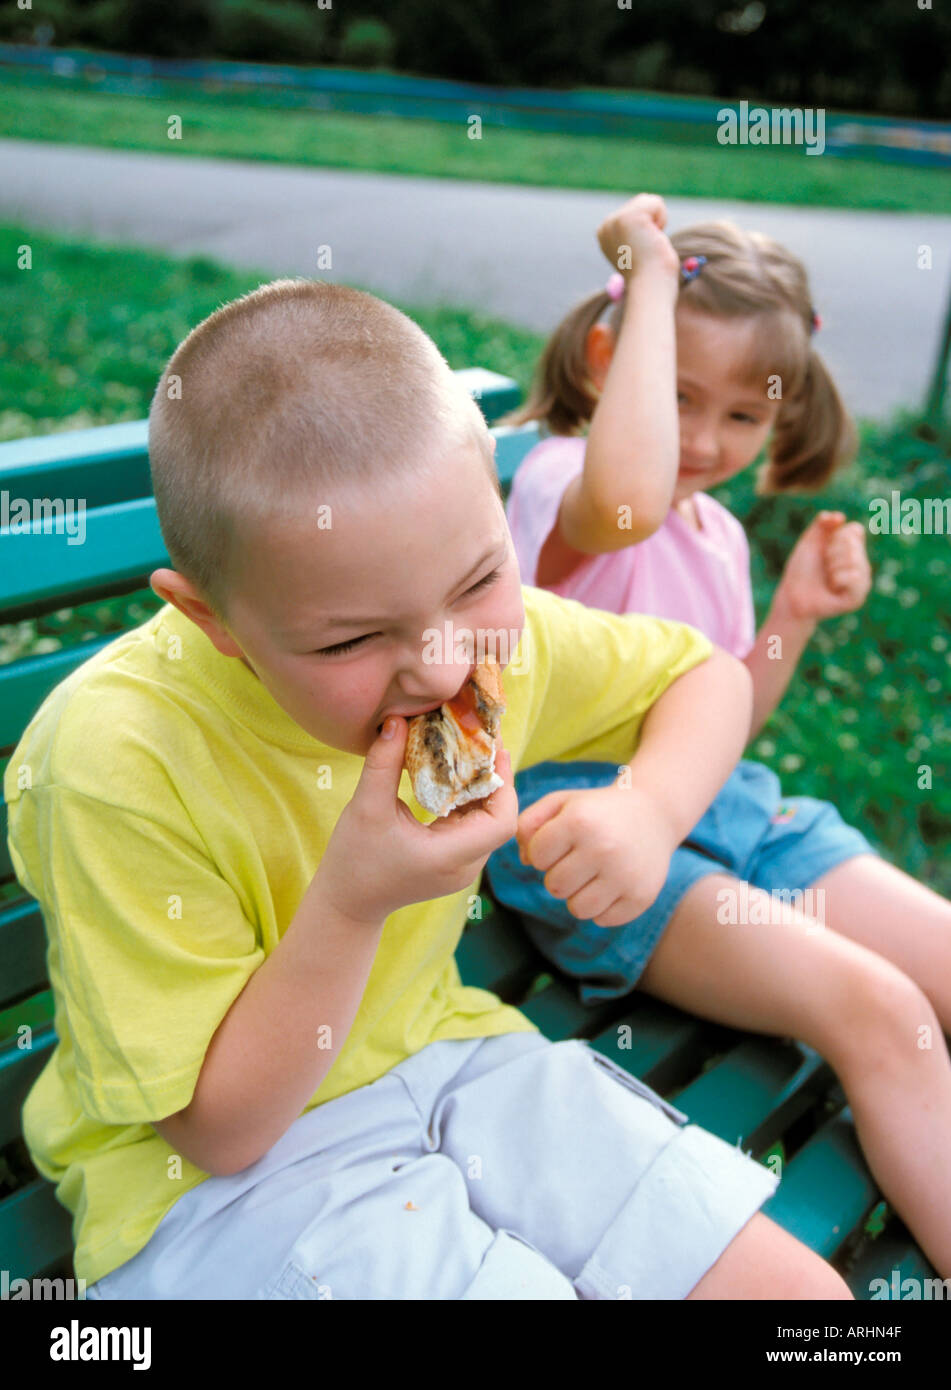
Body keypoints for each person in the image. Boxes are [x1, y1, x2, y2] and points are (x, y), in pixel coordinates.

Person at [4, 279, 853, 1301]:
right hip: (214, 1185)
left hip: (450, 1056)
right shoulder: (113, 761)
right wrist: (355, 896)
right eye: (352, 639)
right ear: (210, 618)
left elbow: (701, 675)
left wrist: (652, 809)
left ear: (496, 503)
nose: (443, 663)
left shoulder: (497, 639)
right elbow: (217, 1130)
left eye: (477, 581)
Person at [484, 194, 951, 1280]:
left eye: (744, 416)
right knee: (877, 1008)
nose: (702, 440)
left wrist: (790, 619)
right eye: (678, 395)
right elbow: (631, 501)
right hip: (594, 833)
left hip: (734, 809)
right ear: (610, 357)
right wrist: (651, 275)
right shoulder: (563, 480)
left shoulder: (722, 529)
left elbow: (721, 712)